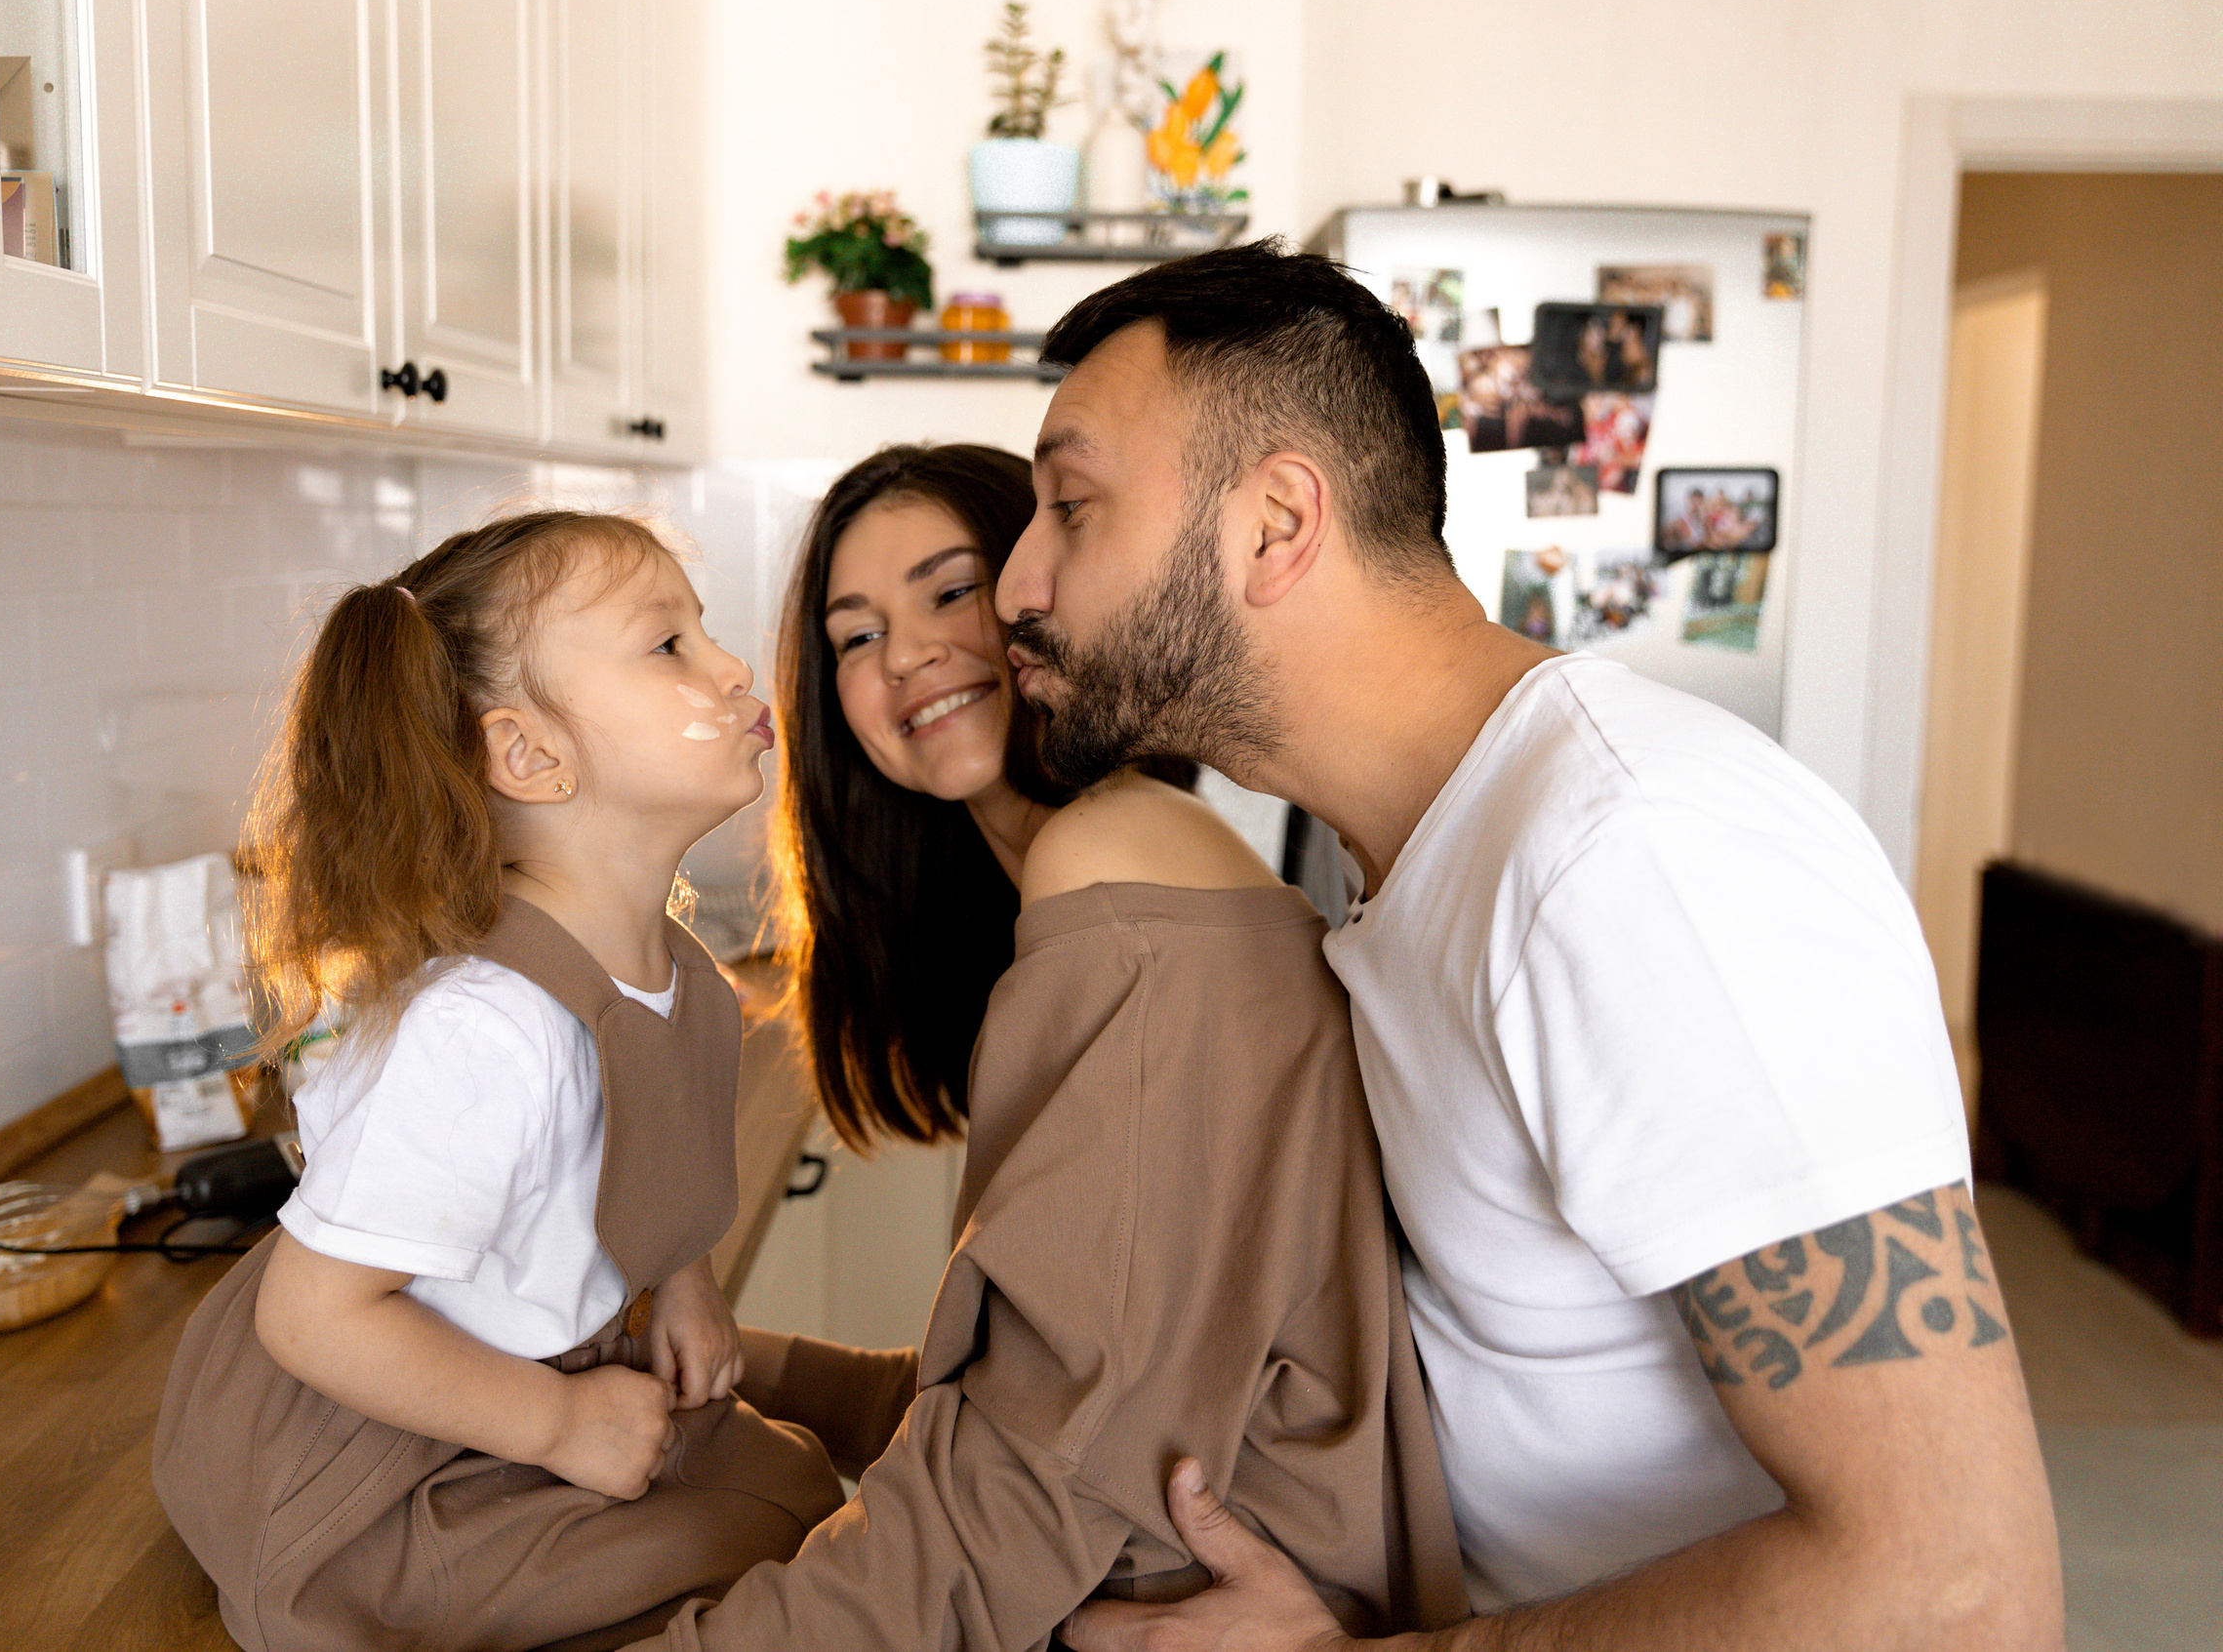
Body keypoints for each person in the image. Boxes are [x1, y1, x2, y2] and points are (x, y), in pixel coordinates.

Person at [990, 242, 2063, 1651]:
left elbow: (1955, 1594)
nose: (1016, 581)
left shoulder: (1634, 856)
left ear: (1274, 524)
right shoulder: (1413, 855)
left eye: (1070, 507)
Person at [619, 443, 1466, 1649]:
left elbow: (1024, 1485)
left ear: (1041, 592)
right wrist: (722, 1360)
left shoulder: (1111, 869)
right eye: (856, 636)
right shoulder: (1101, 874)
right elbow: (1034, 1400)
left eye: (950, 590)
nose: (905, 654)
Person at [151, 510, 846, 1652]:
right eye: (667, 644)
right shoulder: (488, 1033)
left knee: (793, 1488)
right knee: (771, 1530)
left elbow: (641, 1152)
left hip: (521, 1393)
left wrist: (682, 1283)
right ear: (527, 755)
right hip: (377, 1460)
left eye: (704, 631)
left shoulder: (674, 972)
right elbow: (314, 1316)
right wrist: (559, 1423)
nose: (730, 670)